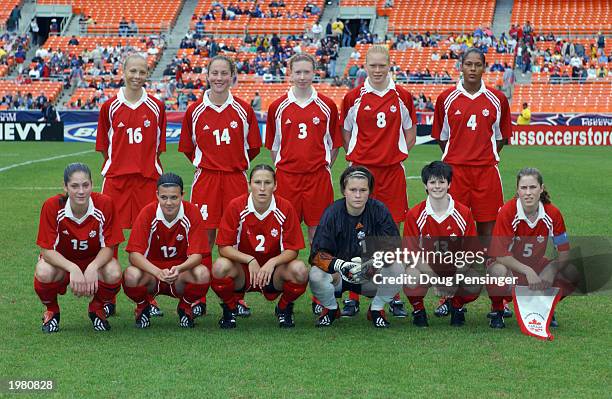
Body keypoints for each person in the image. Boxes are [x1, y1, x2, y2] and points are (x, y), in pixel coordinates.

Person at [178, 55, 261, 316]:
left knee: (236, 238)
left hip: (236, 179)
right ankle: (198, 295)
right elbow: (188, 149)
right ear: (207, 75)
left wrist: (232, 164)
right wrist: (210, 164)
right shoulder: (195, 109)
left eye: (224, 73)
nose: (219, 78)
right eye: (214, 73)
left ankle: (236, 296)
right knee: (204, 238)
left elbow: (253, 147)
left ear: (232, 76)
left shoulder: (243, 109)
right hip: (206, 180)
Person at [341, 45, 416, 317]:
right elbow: (345, 132)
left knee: (389, 236)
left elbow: (410, 131)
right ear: (365, 66)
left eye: (381, 65)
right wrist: (357, 161)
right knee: (355, 233)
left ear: (389, 65)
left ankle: (392, 295)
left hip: (391, 173)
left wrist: (399, 154)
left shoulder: (403, 96)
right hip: (362, 173)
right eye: (372, 65)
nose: (377, 70)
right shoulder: (353, 97)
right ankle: (353, 295)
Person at [266, 53, 343, 316]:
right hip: (287, 179)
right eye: (297, 72)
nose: (301, 77)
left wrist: (319, 166)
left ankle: (320, 295)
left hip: (317, 180)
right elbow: (274, 148)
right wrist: (288, 168)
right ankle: (281, 293)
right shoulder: (278, 106)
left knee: (318, 239)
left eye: (306, 72)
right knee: (283, 239)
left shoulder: (327, 105)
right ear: (290, 73)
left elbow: (333, 147)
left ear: (314, 73)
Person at [211, 165, 308, 329]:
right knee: (220, 267)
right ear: (249, 185)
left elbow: (293, 249)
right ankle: (230, 308)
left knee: (300, 270)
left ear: (275, 185)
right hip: (243, 271)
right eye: (257, 182)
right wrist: (250, 260)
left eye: (267, 182)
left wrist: (272, 262)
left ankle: (284, 308)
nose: (262, 188)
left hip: (273, 273)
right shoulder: (236, 206)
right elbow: (224, 247)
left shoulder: (285, 207)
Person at [431, 47, 511, 242]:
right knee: (454, 226)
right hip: (455, 172)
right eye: (468, 64)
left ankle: (487, 267)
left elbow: (501, 138)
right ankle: (457, 268)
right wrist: (459, 154)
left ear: (484, 67)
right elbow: (442, 137)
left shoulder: (497, 99)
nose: (473, 69)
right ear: (461, 67)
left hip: (486, 172)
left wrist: (482, 155)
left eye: (477, 65)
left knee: (488, 226)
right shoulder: (445, 98)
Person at [309, 166, 404, 328]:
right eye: (353, 189)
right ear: (344, 191)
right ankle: (331, 309)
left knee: (398, 268)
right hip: (338, 275)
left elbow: (395, 248)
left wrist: (373, 264)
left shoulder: (380, 211)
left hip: (370, 275)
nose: (358, 195)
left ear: (370, 191)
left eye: (363, 190)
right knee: (315, 274)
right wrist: (341, 265)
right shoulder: (332, 213)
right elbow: (316, 254)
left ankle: (376, 309)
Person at [34, 163, 124, 333]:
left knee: (114, 271)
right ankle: (52, 310)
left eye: (85, 185)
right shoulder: (52, 206)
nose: (81, 191)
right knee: (43, 270)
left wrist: (93, 267)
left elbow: (109, 247)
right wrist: (72, 268)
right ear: (65, 187)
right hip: (62, 262)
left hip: (93, 260)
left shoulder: (105, 204)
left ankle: (97, 309)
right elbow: (46, 250)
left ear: (92, 184)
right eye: (74, 186)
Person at [486, 168, 578, 329]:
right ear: (517, 190)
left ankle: (543, 307)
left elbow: (564, 252)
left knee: (571, 272)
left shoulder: (553, 213)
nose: (528, 193)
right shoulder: (507, 212)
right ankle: (497, 308)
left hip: (536, 265)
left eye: (533, 187)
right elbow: (500, 255)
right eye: (524, 188)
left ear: (541, 188)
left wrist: (552, 268)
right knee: (497, 271)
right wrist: (528, 271)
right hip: (510, 267)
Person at [123, 173, 211, 329]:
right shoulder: (147, 213)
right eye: (164, 197)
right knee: (131, 274)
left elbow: (197, 255)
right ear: (156, 195)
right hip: (153, 274)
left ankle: (185, 307)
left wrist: (179, 268)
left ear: (182, 195)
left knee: (202, 273)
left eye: (174, 198)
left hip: (179, 274)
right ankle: (143, 307)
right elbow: (134, 255)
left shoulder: (192, 213)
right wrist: (157, 272)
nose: (169, 203)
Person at [402, 161, 481, 327]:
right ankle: (418, 310)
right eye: (432, 182)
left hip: (454, 268)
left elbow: (471, 253)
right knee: (410, 276)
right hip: (427, 269)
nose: (437, 186)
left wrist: (454, 279)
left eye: (441, 182)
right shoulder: (415, 214)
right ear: (425, 185)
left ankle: (457, 306)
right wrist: (436, 280)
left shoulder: (464, 213)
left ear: (449, 184)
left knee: (474, 281)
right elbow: (412, 255)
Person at [96, 53, 167, 230]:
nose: (137, 76)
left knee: (147, 233)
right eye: (133, 71)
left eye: (142, 72)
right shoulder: (109, 107)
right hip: (116, 179)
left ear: (147, 74)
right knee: (110, 232)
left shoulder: (157, 107)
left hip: (147, 179)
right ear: (123, 71)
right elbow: (104, 147)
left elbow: (157, 147)